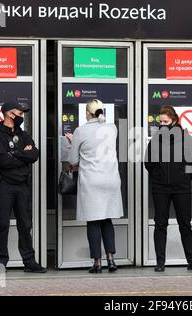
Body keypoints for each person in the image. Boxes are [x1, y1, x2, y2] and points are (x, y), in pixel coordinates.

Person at [145, 105, 192, 272]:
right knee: (160, 224)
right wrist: (159, 176)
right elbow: (148, 163)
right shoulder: (155, 140)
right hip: (160, 188)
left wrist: (183, 178)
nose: (162, 124)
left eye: (165, 121)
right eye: (160, 122)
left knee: (185, 224)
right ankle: (160, 263)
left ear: (174, 121)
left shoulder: (187, 139)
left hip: (182, 188)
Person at [0, 101, 46, 274]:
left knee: (25, 224)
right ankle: (1, 262)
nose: (22, 116)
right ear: (8, 114)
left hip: (22, 186)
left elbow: (34, 154)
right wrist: (23, 154)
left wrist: (15, 153)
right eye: (19, 113)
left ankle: (29, 262)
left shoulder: (24, 135)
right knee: (2, 224)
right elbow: (3, 161)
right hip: (4, 186)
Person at [66, 99, 123, 273]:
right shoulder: (112, 128)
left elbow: (73, 160)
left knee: (93, 221)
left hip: (92, 181)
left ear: (87, 113)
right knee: (107, 220)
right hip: (111, 180)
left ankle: (97, 263)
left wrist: (71, 141)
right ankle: (111, 260)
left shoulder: (80, 131)